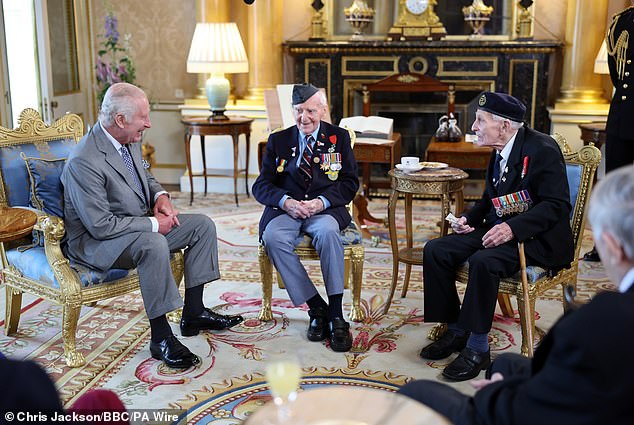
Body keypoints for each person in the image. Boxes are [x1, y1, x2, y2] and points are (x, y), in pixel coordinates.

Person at [398, 165, 634, 424]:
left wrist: (495, 393)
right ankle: (457, 332)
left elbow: (537, 408)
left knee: (414, 392)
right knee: (505, 364)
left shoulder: (596, 320)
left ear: (613, 246)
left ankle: (476, 348)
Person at [61, 82, 243, 370]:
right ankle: (160, 337)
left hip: (134, 227)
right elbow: (100, 226)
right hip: (98, 244)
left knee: (202, 226)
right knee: (153, 242)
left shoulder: (128, 140)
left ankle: (194, 312)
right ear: (120, 120)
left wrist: (160, 197)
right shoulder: (84, 161)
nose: (148, 123)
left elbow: (145, 175)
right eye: (143, 117)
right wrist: (153, 225)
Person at [419, 92, 573, 381]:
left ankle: (478, 349)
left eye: (480, 121)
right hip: (500, 227)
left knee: (484, 261)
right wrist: (468, 218)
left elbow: (557, 205)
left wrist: (512, 229)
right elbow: (490, 199)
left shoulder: (542, 149)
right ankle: (456, 329)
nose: (474, 127)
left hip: (537, 239)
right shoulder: (499, 149)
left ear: (504, 126)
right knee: (436, 250)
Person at [252, 83, 359, 352]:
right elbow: (261, 185)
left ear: (323, 110)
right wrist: (285, 202)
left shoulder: (339, 138)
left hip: (323, 209)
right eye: (299, 111)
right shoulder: (279, 140)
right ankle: (317, 307)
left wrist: (320, 203)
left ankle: (336, 315)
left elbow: (349, 183)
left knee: (327, 234)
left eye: (311, 110)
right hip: (287, 210)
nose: (304, 118)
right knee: (273, 238)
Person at [584, 2, 634, 262]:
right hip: (622, 117)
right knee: (615, 187)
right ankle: (610, 245)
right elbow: (617, 75)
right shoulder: (620, 22)